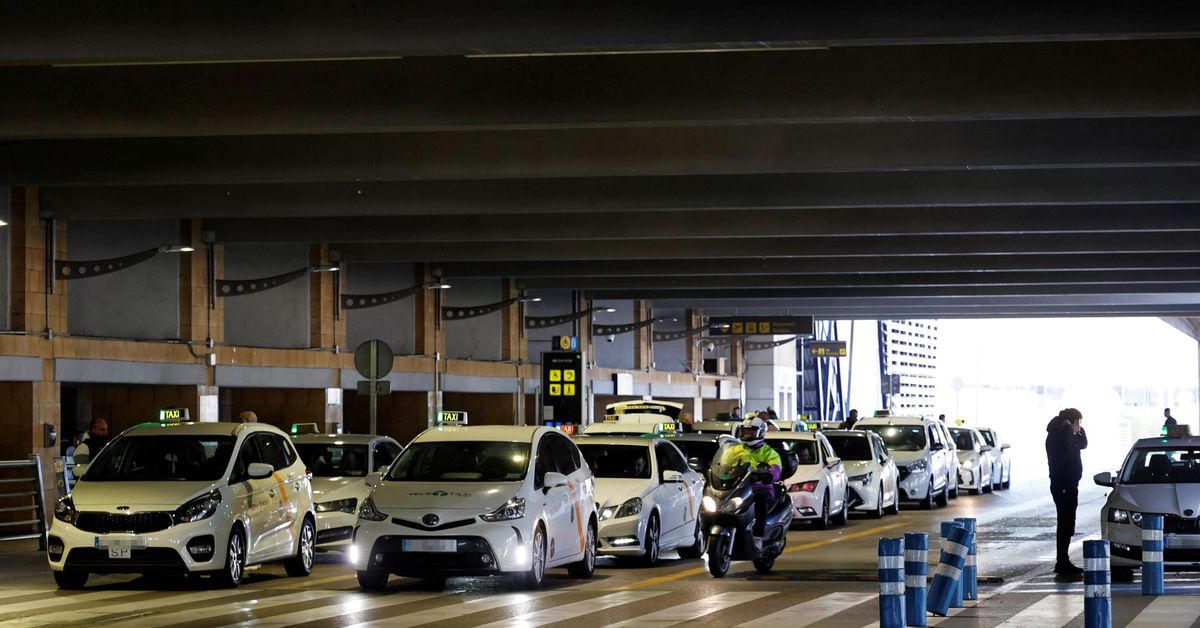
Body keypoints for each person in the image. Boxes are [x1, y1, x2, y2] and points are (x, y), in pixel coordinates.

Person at [720, 417, 782, 550]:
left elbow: (776, 468)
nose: (747, 435)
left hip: (759, 488)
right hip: (738, 487)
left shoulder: (769, 452)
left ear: (760, 433)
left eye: (751, 432)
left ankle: (758, 537)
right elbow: (722, 465)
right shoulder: (733, 450)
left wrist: (769, 475)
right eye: (745, 431)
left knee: (761, 500)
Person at [1045, 407, 1087, 576]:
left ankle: (1063, 559)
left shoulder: (1064, 432)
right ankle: (1062, 561)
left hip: (1068, 483)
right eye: (1078, 422)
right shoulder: (1059, 434)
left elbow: (1083, 444)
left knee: (1067, 522)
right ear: (1071, 421)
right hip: (1063, 483)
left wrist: (1077, 432)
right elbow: (1068, 449)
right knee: (1065, 522)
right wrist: (1070, 430)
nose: (1080, 426)